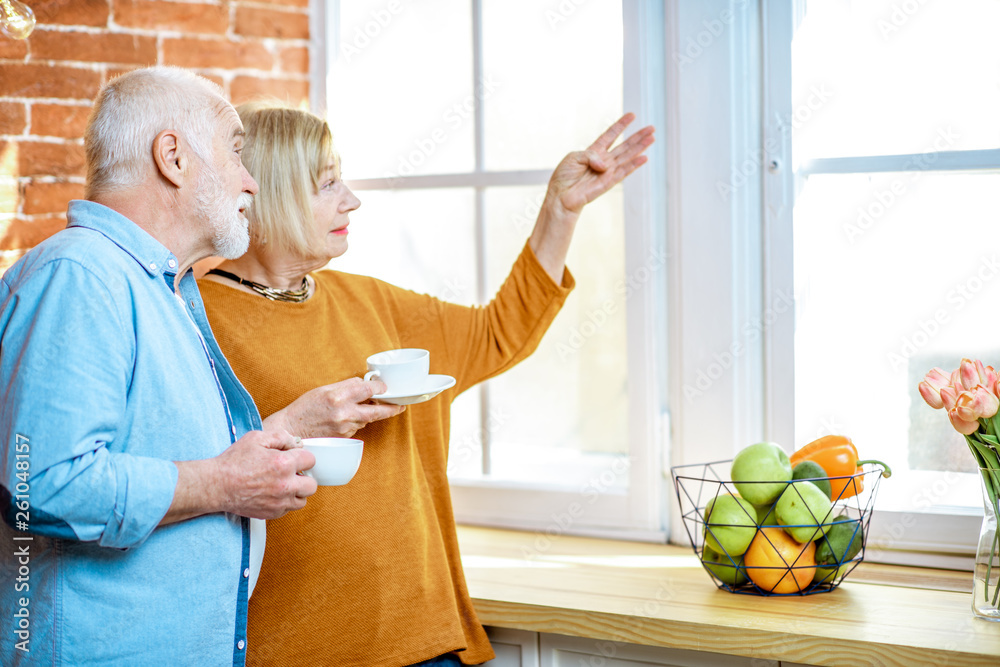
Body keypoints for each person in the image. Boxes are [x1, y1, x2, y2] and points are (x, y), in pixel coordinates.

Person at [198, 101, 654, 667]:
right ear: (269, 194)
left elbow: (495, 334)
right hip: (295, 648)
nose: (352, 200)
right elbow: (188, 481)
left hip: (424, 637)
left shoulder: (366, 300)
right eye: (328, 183)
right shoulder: (195, 318)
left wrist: (559, 213)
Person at [0, 67, 400, 666]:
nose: (251, 182)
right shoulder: (80, 276)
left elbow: (171, 454)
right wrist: (223, 484)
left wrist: (288, 428)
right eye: (236, 153)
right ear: (174, 159)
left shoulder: (166, 289)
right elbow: (43, 484)